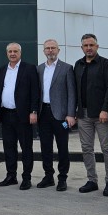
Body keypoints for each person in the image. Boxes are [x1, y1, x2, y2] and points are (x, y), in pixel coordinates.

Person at [73, 34, 108, 197]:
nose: (89, 48)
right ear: (82, 48)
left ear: (97, 46)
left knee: (107, 149)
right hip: (83, 114)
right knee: (86, 148)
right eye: (86, 45)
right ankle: (92, 180)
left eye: (91, 45)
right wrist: (74, 112)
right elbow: (75, 90)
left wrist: (106, 109)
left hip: (101, 114)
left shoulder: (106, 64)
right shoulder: (78, 65)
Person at [0, 43, 39, 190]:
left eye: (15, 51)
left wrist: (33, 111)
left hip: (23, 116)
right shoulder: (2, 70)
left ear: (20, 53)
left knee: (26, 148)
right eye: (10, 51)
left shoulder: (29, 68)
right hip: (6, 114)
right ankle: (11, 176)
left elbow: (35, 91)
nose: (12, 54)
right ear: (7, 53)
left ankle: (26, 178)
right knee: (9, 147)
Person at [36, 39, 76, 191]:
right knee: (45, 147)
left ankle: (62, 178)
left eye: (53, 48)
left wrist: (71, 114)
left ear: (58, 50)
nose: (50, 50)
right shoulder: (39, 69)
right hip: (43, 113)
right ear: (44, 51)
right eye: (47, 48)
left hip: (61, 116)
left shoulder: (67, 68)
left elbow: (72, 93)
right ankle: (48, 176)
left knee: (62, 147)